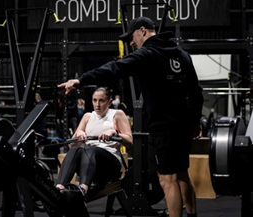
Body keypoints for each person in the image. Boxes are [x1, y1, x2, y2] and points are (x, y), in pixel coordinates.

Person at [58, 17, 203, 217]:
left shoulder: (147, 54)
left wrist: (80, 80)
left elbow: (113, 69)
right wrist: (195, 122)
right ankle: (193, 215)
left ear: (142, 30)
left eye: (132, 37)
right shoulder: (183, 56)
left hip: (162, 128)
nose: (131, 43)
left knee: (167, 180)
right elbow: (196, 93)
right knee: (182, 174)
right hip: (183, 128)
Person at [56, 87, 132, 199]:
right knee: (76, 149)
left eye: (101, 101)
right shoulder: (88, 116)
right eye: (94, 100)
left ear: (109, 102)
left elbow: (129, 142)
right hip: (90, 163)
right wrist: (79, 134)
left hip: (109, 164)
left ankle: (83, 190)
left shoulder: (117, 114)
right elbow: (71, 144)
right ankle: (59, 188)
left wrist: (115, 133)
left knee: (89, 149)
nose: (97, 104)